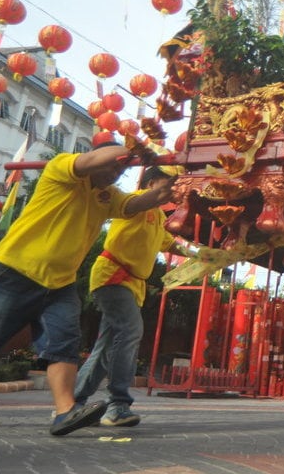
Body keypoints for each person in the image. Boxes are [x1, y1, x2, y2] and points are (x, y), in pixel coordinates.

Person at [0, 141, 174, 436]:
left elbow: (152, 198)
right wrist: (134, 151)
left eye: (121, 169)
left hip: (60, 283)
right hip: (13, 271)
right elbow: (102, 157)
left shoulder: (108, 197)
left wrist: (182, 176)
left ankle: (64, 412)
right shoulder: (62, 169)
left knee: (64, 342)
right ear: (95, 159)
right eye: (113, 165)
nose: (115, 172)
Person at [74, 166, 193, 427]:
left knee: (106, 346)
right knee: (130, 331)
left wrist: (199, 254)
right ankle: (117, 405)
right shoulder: (137, 202)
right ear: (152, 183)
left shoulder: (159, 216)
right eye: (168, 181)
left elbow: (167, 242)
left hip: (130, 283)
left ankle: (74, 405)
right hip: (113, 275)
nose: (174, 187)